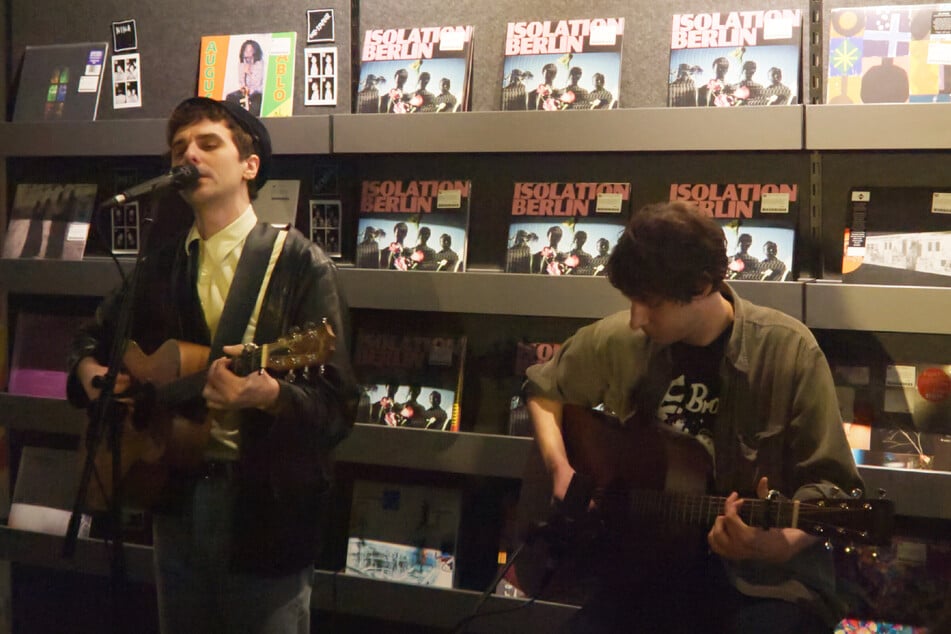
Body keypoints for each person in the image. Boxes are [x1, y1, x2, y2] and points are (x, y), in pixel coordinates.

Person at [66, 96, 358, 634]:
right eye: (179, 147)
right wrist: (89, 371)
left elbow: (338, 405)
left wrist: (268, 396)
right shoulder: (161, 263)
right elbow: (93, 336)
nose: (189, 155)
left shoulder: (299, 263)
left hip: (261, 514)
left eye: (208, 143)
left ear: (250, 165)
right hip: (172, 499)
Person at [523, 201, 863, 633]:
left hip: (763, 584)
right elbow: (543, 387)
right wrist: (560, 469)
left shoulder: (788, 351)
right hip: (646, 569)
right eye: (631, 301)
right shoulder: (623, 340)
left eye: (652, 305)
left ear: (702, 287)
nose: (635, 319)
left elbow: (834, 489)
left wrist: (774, 546)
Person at [225, 39, 264, 115]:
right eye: (245, 56)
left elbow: (257, 82)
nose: (248, 55)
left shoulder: (259, 64)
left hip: (256, 94)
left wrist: (250, 72)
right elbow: (241, 80)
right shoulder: (242, 64)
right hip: (244, 93)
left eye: (251, 52)